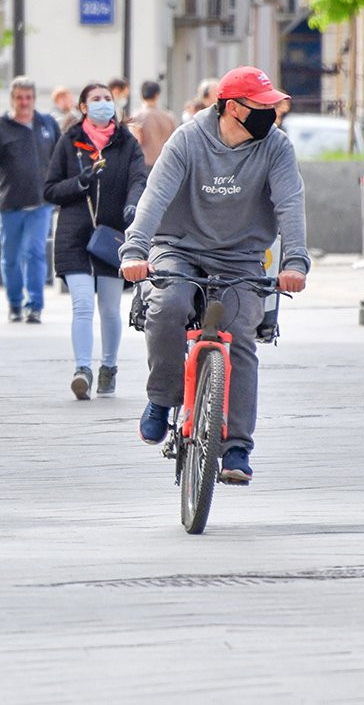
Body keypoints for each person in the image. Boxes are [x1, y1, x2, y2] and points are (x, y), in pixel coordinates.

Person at [120, 66, 310, 484]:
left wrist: (295, 262)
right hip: (177, 246)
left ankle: (237, 445)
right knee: (169, 304)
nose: (271, 112)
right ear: (231, 108)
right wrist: (135, 250)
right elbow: (154, 198)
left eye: (271, 105)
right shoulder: (187, 139)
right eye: (261, 106)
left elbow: (290, 204)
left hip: (241, 257)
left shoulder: (276, 147)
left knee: (241, 332)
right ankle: (161, 398)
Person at [43, 83, 148, 400]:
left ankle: (109, 368)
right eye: (96, 99)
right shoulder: (70, 141)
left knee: (110, 308)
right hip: (74, 234)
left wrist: (134, 204)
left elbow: (138, 179)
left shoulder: (126, 143)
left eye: (107, 99)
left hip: (112, 236)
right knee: (83, 305)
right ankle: (82, 370)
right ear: (83, 107)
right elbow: (50, 190)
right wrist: (80, 182)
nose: (104, 104)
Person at [0, 76, 60, 323]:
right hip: (10, 203)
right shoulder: (0, 128)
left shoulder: (47, 124)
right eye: (19, 98)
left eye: (29, 98)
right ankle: (14, 302)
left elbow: (60, 158)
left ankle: (35, 305)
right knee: (11, 258)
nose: (24, 102)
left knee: (35, 252)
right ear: (12, 99)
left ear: (34, 99)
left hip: (40, 203)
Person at [127, 80, 178, 167]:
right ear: (157, 95)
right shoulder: (169, 116)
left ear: (141, 94)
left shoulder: (136, 116)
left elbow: (136, 141)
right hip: (166, 162)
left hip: (145, 163)